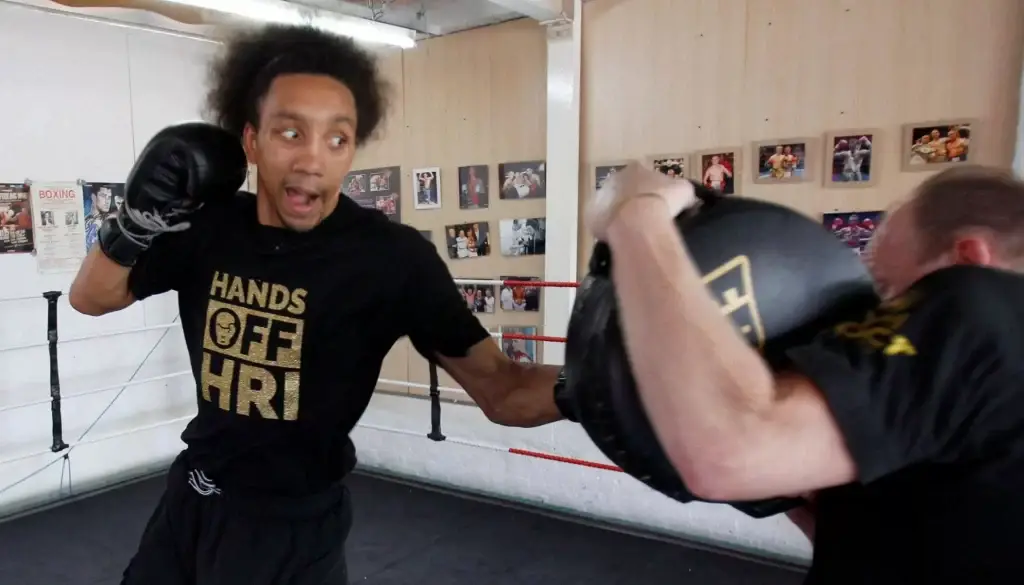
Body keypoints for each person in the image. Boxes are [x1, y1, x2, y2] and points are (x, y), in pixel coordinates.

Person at [67, 24, 566, 585]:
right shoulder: (211, 225)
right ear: (251, 141)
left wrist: (594, 388)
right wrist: (133, 224)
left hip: (289, 527)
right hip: (191, 495)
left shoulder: (390, 260)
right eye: (290, 133)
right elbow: (91, 298)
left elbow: (500, 389)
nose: (313, 160)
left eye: (337, 139)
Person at [587, 162, 1024, 582]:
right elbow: (894, 550)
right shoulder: (991, 387)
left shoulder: (982, 303)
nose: (879, 311)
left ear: (968, 258)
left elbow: (732, 454)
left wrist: (636, 215)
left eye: (889, 291)